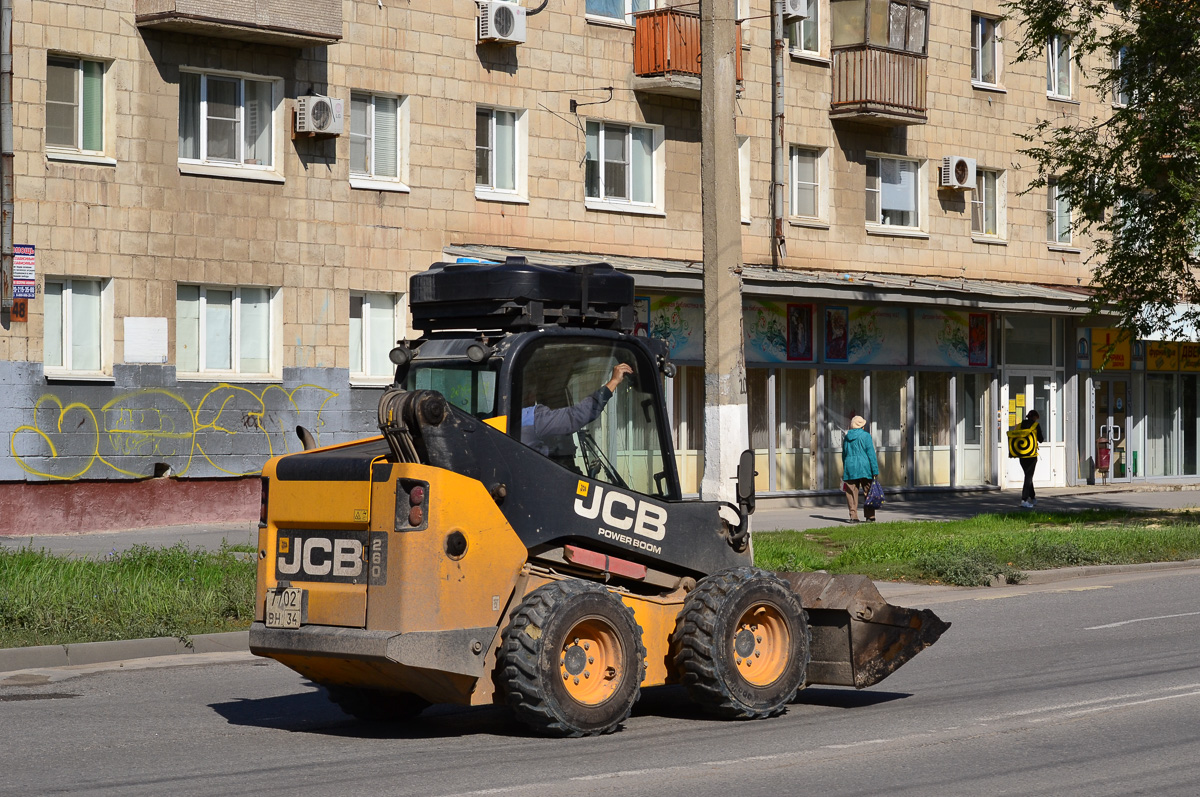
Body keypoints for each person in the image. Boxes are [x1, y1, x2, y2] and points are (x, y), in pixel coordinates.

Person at [520, 362, 633, 457]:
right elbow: (575, 416)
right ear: (529, 395)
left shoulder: (505, 418)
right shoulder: (530, 419)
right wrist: (613, 382)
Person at [842, 415, 880, 522]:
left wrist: (845, 466)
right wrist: (875, 470)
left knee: (851, 492)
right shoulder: (866, 436)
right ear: (862, 426)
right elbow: (871, 454)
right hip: (865, 467)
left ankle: (853, 516)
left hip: (850, 467)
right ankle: (870, 516)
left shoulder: (847, 437)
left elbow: (844, 454)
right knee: (868, 491)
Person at [1018, 409, 1044, 508]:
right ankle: (1024, 499)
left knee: (1028, 476)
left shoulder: (1020, 425)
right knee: (1028, 477)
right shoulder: (1035, 426)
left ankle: (1033, 498)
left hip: (1021, 454)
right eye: (1036, 418)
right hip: (1031, 455)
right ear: (1034, 417)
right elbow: (1041, 440)